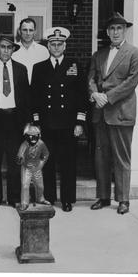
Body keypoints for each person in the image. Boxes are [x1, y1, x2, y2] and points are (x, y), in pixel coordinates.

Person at [88, 12, 138, 215]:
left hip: (120, 112)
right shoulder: (99, 54)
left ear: (125, 30)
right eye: (112, 28)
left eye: (119, 28)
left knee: (121, 158)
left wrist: (107, 97)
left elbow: (131, 83)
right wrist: (94, 94)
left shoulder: (134, 53)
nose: (115, 32)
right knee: (101, 156)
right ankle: (103, 197)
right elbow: (91, 78)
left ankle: (123, 199)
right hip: (100, 113)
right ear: (107, 32)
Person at [30, 27, 88, 212]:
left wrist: (79, 122)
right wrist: (36, 122)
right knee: (47, 162)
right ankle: (48, 197)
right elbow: (36, 97)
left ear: (65, 45)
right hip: (47, 123)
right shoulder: (39, 68)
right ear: (48, 46)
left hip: (68, 124)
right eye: (53, 44)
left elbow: (82, 95)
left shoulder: (75, 65)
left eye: (59, 44)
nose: (56, 47)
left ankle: (67, 199)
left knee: (68, 163)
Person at [0, 34, 30, 209]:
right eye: (2, 47)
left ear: (13, 50)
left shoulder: (21, 69)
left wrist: (28, 122)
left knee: (15, 163)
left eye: (9, 47)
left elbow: (26, 98)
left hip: (14, 122)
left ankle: (14, 198)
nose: (5, 50)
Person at [16, 124, 51, 211]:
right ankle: (24, 202)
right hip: (26, 168)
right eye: (30, 136)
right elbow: (19, 156)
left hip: (37, 168)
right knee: (25, 185)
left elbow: (46, 154)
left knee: (40, 186)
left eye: (35, 135)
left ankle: (40, 198)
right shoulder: (24, 145)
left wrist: (41, 164)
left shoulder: (41, 144)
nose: (33, 138)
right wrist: (20, 159)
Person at [11, 17, 49, 83]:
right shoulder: (12, 50)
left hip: (37, 89)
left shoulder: (43, 51)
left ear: (35, 32)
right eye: (25, 30)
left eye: (31, 30)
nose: (28, 33)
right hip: (18, 89)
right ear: (19, 31)